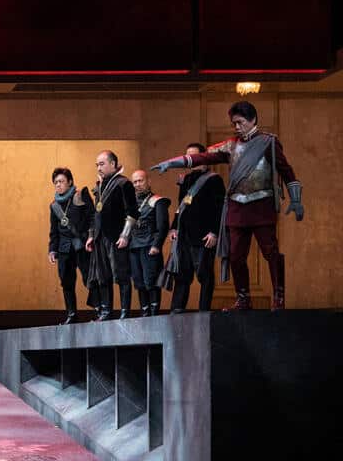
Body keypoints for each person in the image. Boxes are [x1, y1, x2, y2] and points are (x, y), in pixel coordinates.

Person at [152, 101, 304, 310]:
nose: (237, 127)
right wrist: (172, 163)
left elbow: (286, 170)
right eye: (234, 123)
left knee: (271, 252)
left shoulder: (268, 143)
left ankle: (278, 297)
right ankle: (243, 298)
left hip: (261, 206)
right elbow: (204, 156)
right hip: (237, 208)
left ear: (253, 120)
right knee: (235, 256)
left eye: (240, 122)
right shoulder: (231, 146)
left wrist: (296, 200)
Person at [159, 143, 226, 313]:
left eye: (194, 156)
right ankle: (177, 309)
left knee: (205, 275)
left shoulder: (214, 179)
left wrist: (214, 232)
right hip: (184, 235)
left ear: (204, 158)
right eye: (187, 157)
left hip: (204, 236)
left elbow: (220, 209)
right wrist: (174, 228)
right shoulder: (186, 179)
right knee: (182, 275)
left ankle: (204, 310)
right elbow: (180, 207)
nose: (190, 160)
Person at [85, 151, 140, 320]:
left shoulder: (124, 183)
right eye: (97, 165)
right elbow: (96, 214)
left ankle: (124, 311)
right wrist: (91, 235)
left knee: (122, 275)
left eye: (102, 164)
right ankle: (106, 311)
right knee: (103, 276)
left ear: (113, 164)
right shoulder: (100, 185)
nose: (98, 168)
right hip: (100, 237)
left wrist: (125, 235)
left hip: (116, 237)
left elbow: (133, 213)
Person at [47, 168, 95, 324]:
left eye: (61, 181)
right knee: (66, 282)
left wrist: (91, 236)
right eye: (56, 182)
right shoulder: (54, 205)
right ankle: (71, 314)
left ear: (70, 182)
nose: (58, 185)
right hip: (64, 248)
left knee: (89, 278)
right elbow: (54, 230)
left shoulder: (80, 195)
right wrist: (52, 250)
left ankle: (100, 309)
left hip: (82, 244)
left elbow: (92, 217)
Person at [129, 170, 170, 316]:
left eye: (140, 181)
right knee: (139, 282)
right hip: (134, 246)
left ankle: (154, 314)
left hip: (150, 246)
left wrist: (157, 245)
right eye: (135, 182)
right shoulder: (130, 202)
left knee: (151, 281)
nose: (137, 184)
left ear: (148, 181)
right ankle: (144, 312)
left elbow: (163, 226)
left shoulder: (158, 201)